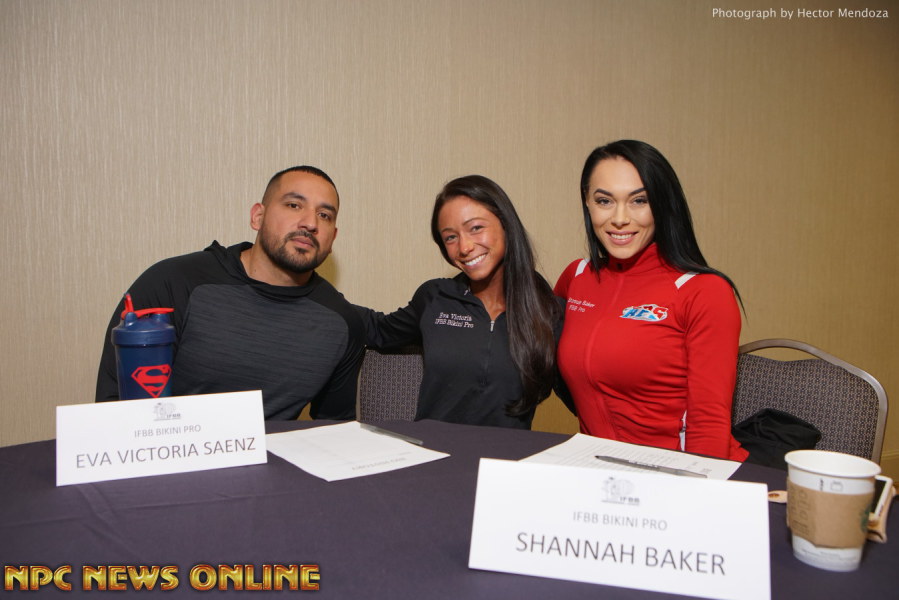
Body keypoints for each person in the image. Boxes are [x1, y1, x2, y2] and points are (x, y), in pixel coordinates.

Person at [96, 166, 365, 420]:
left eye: (324, 215)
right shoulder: (174, 283)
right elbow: (116, 411)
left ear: (333, 237)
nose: (310, 223)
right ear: (257, 217)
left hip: (277, 455)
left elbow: (332, 433)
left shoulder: (340, 322)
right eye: (294, 205)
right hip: (169, 449)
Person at [555, 140, 748, 460]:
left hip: (682, 472)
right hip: (602, 470)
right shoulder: (576, 278)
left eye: (639, 201)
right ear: (587, 203)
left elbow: (708, 423)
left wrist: (695, 488)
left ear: (662, 204)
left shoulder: (704, 291)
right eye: (604, 201)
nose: (620, 218)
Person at [357, 175, 562, 429]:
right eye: (450, 237)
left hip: (507, 454)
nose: (464, 247)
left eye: (475, 228)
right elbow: (377, 329)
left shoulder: (547, 311)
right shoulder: (435, 298)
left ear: (506, 225)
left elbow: (584, 387)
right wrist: (316, 295)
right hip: (432, 449)